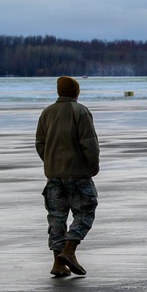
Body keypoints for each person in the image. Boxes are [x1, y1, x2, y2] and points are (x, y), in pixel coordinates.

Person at [35, 76, 100, 277]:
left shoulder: (47, 113)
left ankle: (58, 262)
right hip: (78, 173)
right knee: (86, 210)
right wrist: (93, 166)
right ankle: (69, 250)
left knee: (56, 217)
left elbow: (40, 144)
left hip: (54, 175)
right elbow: (89, 144)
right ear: (75, 92)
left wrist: (51, 162)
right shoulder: (80, 111)